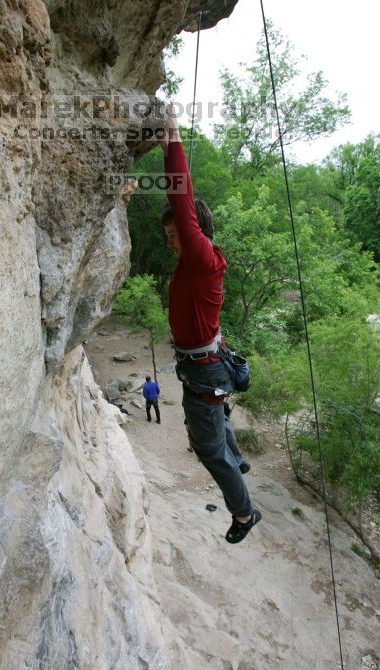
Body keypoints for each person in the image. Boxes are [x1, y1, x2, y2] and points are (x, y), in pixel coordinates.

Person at [159, 107, 261, 544]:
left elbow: (182, 203)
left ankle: (244, 514)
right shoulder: (194, 263)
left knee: (207, 450)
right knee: (215, 415)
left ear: (195, 231)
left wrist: (172, 139)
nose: (170, 241)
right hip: (207, 362)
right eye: (167, 237)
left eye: (175, 234)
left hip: (205, 367)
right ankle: (238, 461)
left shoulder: (200, 260)